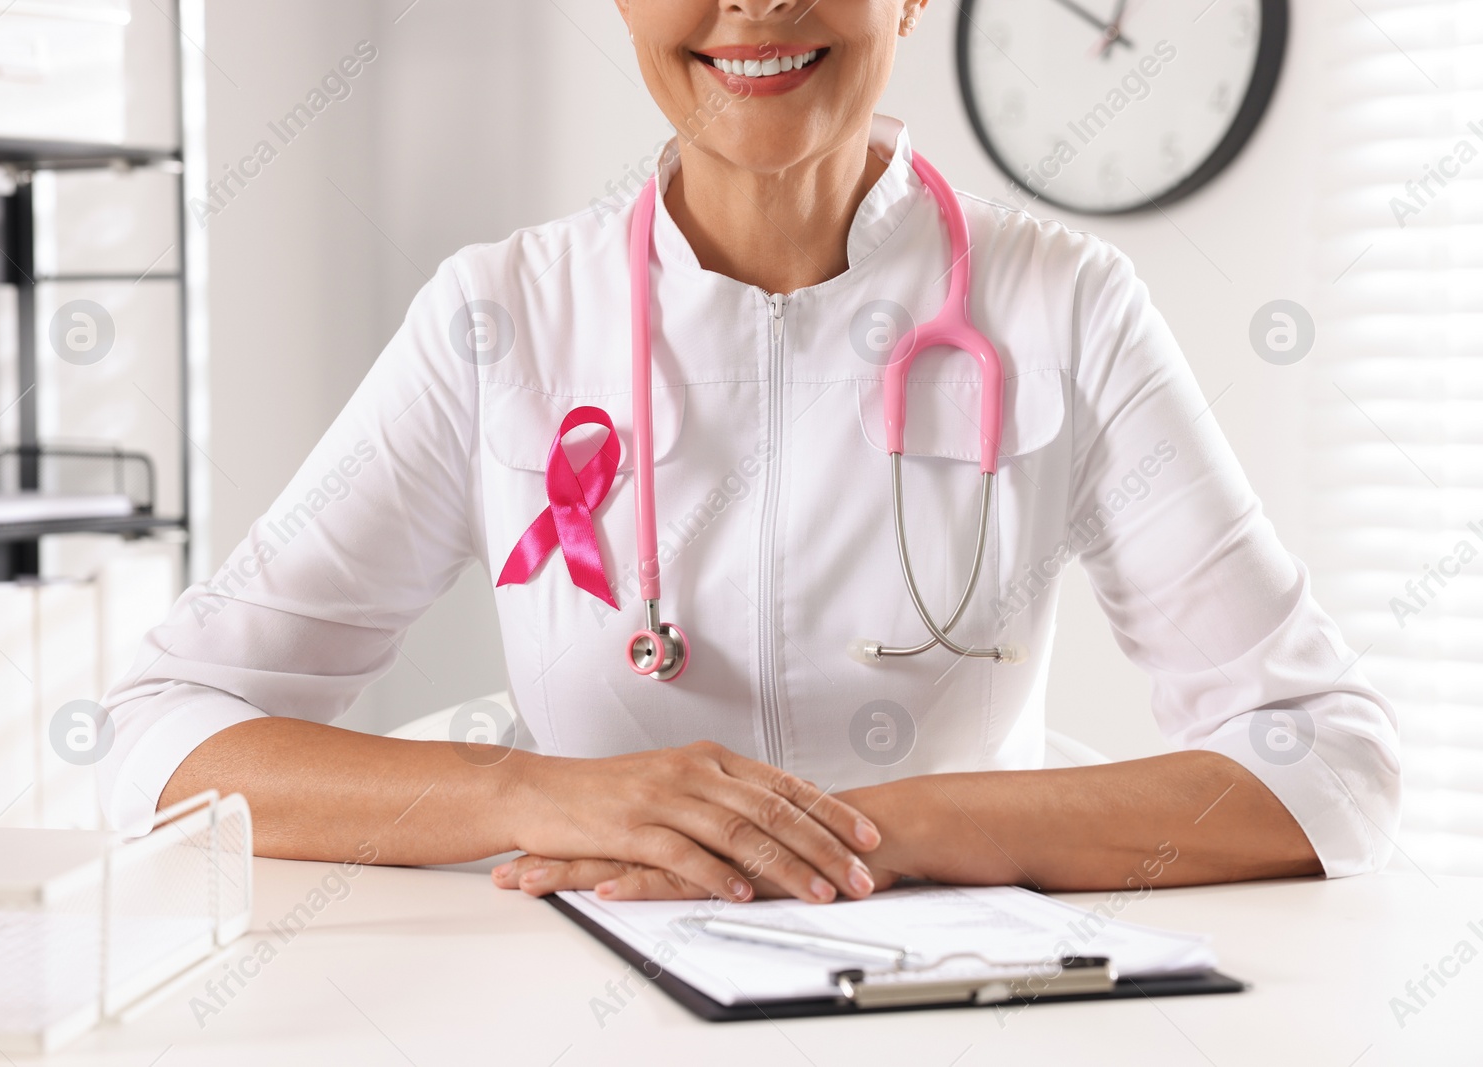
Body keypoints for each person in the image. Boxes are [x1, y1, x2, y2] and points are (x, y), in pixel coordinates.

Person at [100, 0, 1399, 904]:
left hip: (955, 1011)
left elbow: (1329, 759)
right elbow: (160, 737)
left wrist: (895, 834)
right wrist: (535, 796)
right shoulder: (499, 320)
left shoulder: (1066, 304)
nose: (759, 0)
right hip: (588, 1004)